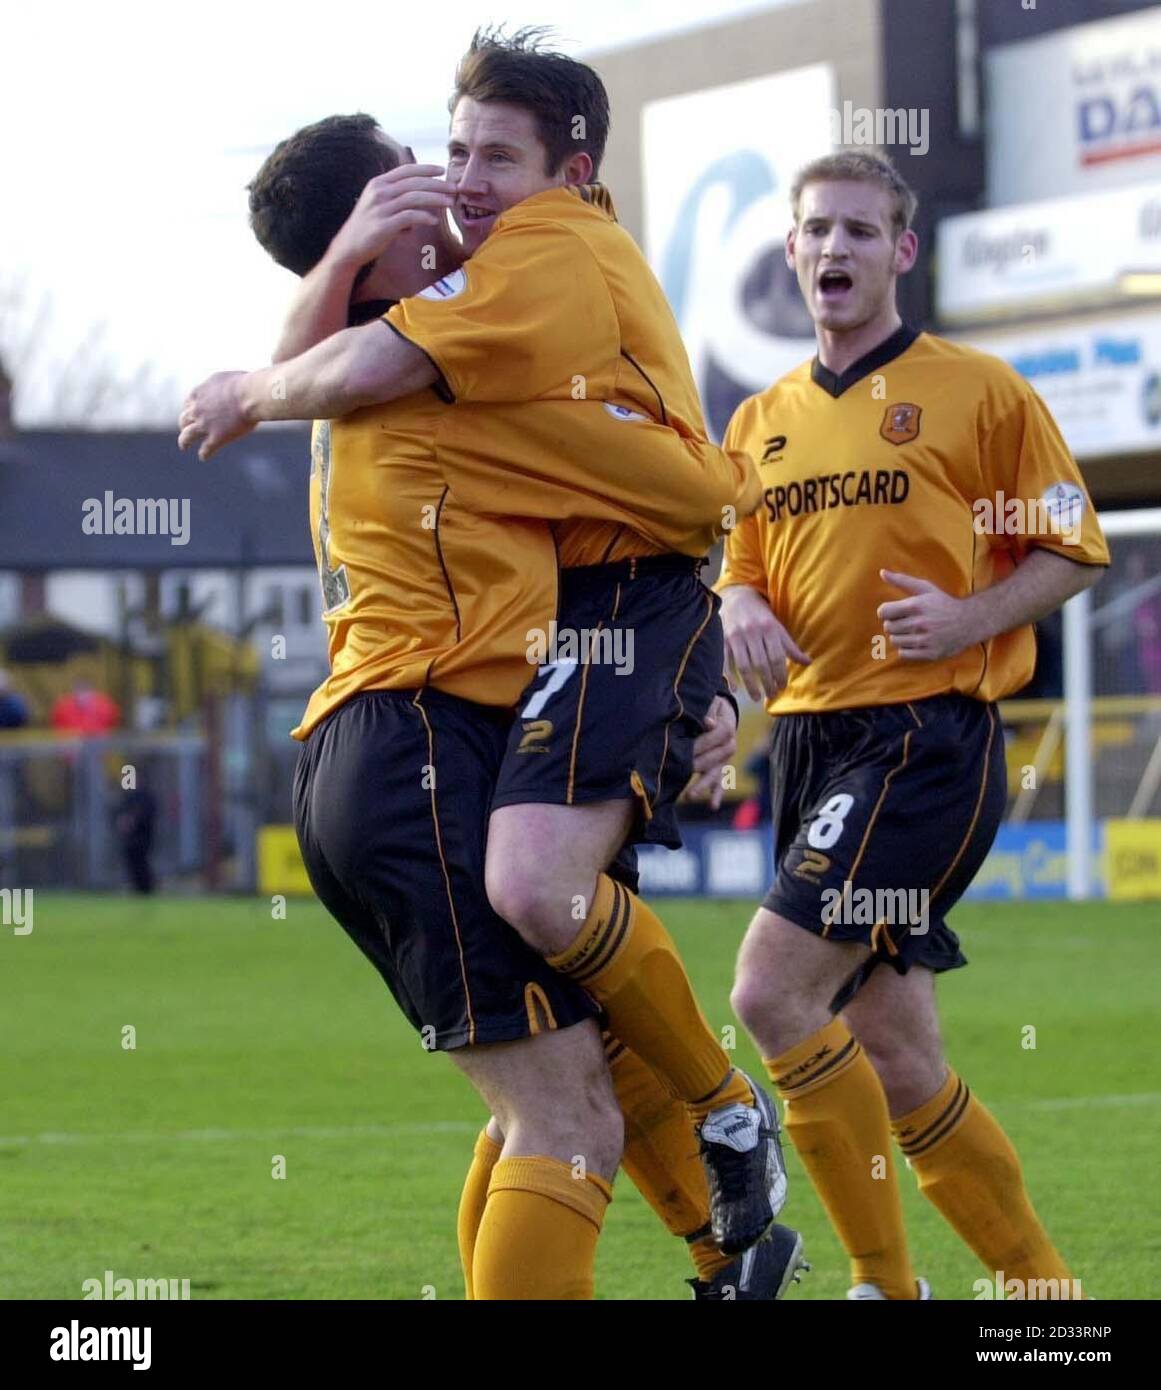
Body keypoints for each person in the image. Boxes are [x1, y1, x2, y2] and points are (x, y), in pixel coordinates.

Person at [183, 86, 791, 1295]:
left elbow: (318, 360)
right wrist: (719, 507)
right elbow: (681, 496)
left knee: (572, 1077)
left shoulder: (356, 374)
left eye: (468, 157)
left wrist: (688, 707)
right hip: (426, 747)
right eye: (422, 166)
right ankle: (733, 1148)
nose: (453, 185)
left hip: (378, 761)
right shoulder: (436, 368)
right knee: (562, 1116)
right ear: (379, 213)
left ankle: (731, 1249)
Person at [717, 150, 1109, 1300]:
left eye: (858, 229)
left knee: (768, 992)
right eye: (815, 231)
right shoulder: (759, 418)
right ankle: (1047, 1303)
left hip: (921, 741)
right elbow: (738, 572)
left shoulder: (979, 389)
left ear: (903, 249)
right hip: (806, 746)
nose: (834, 248)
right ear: (790, 252)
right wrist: (739, 606)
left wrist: (972, 614)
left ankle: (888, 1290)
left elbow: (1072, 545)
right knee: (895, 1060)